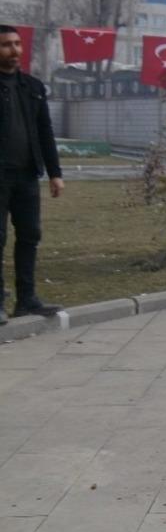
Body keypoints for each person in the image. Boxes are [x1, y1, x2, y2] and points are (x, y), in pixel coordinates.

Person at [0, 25, 64, 324]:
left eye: (17, 44)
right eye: (6, 45)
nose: (14, 51)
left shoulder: (33, 87)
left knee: (30, 235)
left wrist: (55, 172)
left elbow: (44, 132)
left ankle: (27, 299)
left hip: (26, 175)